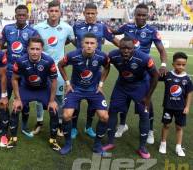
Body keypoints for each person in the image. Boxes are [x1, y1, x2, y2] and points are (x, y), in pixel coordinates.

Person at [111, 3, 168, 144]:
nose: (141, 17)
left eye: (144, 15)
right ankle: (123, 125)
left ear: (148, 16)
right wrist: (100, 27)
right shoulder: (127, 27)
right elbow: (113, 32)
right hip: (126, 67)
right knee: (124, 98)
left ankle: (150, 131)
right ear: (134, 15)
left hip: (143, 70)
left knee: (146, 101)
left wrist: (163, 65)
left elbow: (161, 50)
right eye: (138, 14)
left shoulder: (152, 31)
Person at [103, 37, 159, 159]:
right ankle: (110, 142)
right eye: (123, 48)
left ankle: (142, 147)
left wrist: (148, 97)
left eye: (129, 48)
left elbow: (155, 76)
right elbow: (106, 65)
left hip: (140, 86)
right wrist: (101, 83)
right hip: (121, 86)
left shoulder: (144, 58)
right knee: (112, 110)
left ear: (134, 48)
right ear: (119, 48)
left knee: (144, 114)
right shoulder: (113, 55)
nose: (126, 51)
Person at [71, 2, 119, 139]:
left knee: (93, 99)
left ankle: (88, 126)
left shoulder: (102, 27)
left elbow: (115, 40)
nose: (90, 15)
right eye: (88, 13)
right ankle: (73, 127)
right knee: (76, 99)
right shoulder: (77, 26)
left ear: (96, 14)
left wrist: (127, 48)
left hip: (95, 69)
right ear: (84, 14)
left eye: (93, 13)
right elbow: (71, 40)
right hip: (78, 68)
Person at [58, 33, 110, 155]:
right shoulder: (73, 55)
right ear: (82, 43)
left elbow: (107, 67)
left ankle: (97, 146)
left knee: (105, 116)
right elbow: (60, 65)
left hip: (94, 90)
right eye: (86, 43)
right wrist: (67, 83)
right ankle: (68, 144)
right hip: (76, 89)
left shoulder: (102, 56)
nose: (89, 46)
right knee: (66, 115)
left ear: (97, 45)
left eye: (92, 43)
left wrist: (101, 84)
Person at [0, 4, 39, 138]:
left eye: (24, 15)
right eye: (19, 15)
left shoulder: (32, 31)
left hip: (24, 72)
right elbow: (0, 44)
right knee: (3, 99)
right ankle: (1, 125)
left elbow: (36, 49)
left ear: (27, 16)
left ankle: (24, 126)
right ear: (15, 15)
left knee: (25, 101)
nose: (21, 17)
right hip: (8, 70)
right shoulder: (8, 28)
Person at [6, 37, 60, 151]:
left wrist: (52, 100)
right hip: (27, 89)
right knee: (16, 108)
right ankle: (13, 138)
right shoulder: (21, 61)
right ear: (27, 49)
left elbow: (54, 80)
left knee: (54, 110)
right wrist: (17, 98)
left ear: (42, 49)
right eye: (32, 49)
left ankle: (53, 140)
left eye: (37, 49)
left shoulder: (49, 61)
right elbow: (14, 79)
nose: (35, 52)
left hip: (43, 89)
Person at [33, 0, 75, 136]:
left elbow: (71, 40)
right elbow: (35, 44)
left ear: (60, 12)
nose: (54, 13)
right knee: (39, 97)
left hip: (58, 68)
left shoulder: (67, 28)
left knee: (59, 98)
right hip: (41, 67)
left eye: (56, 11)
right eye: (51, 11)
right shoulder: (38, 27)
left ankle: (60, 124)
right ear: (47, 12)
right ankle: (39, 122)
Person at [158, 52, 192, 157]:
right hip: (168, 107)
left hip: (181, 108)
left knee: (179, 127)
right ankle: (163, 144)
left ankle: (178, 146)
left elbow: (190, 93)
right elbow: (154, 78)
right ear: (173, 64)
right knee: (166, 125)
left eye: (183, 64)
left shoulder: (187, 79)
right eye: (178, 64)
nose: (181, 67)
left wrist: (187, 106)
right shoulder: (168, 75)